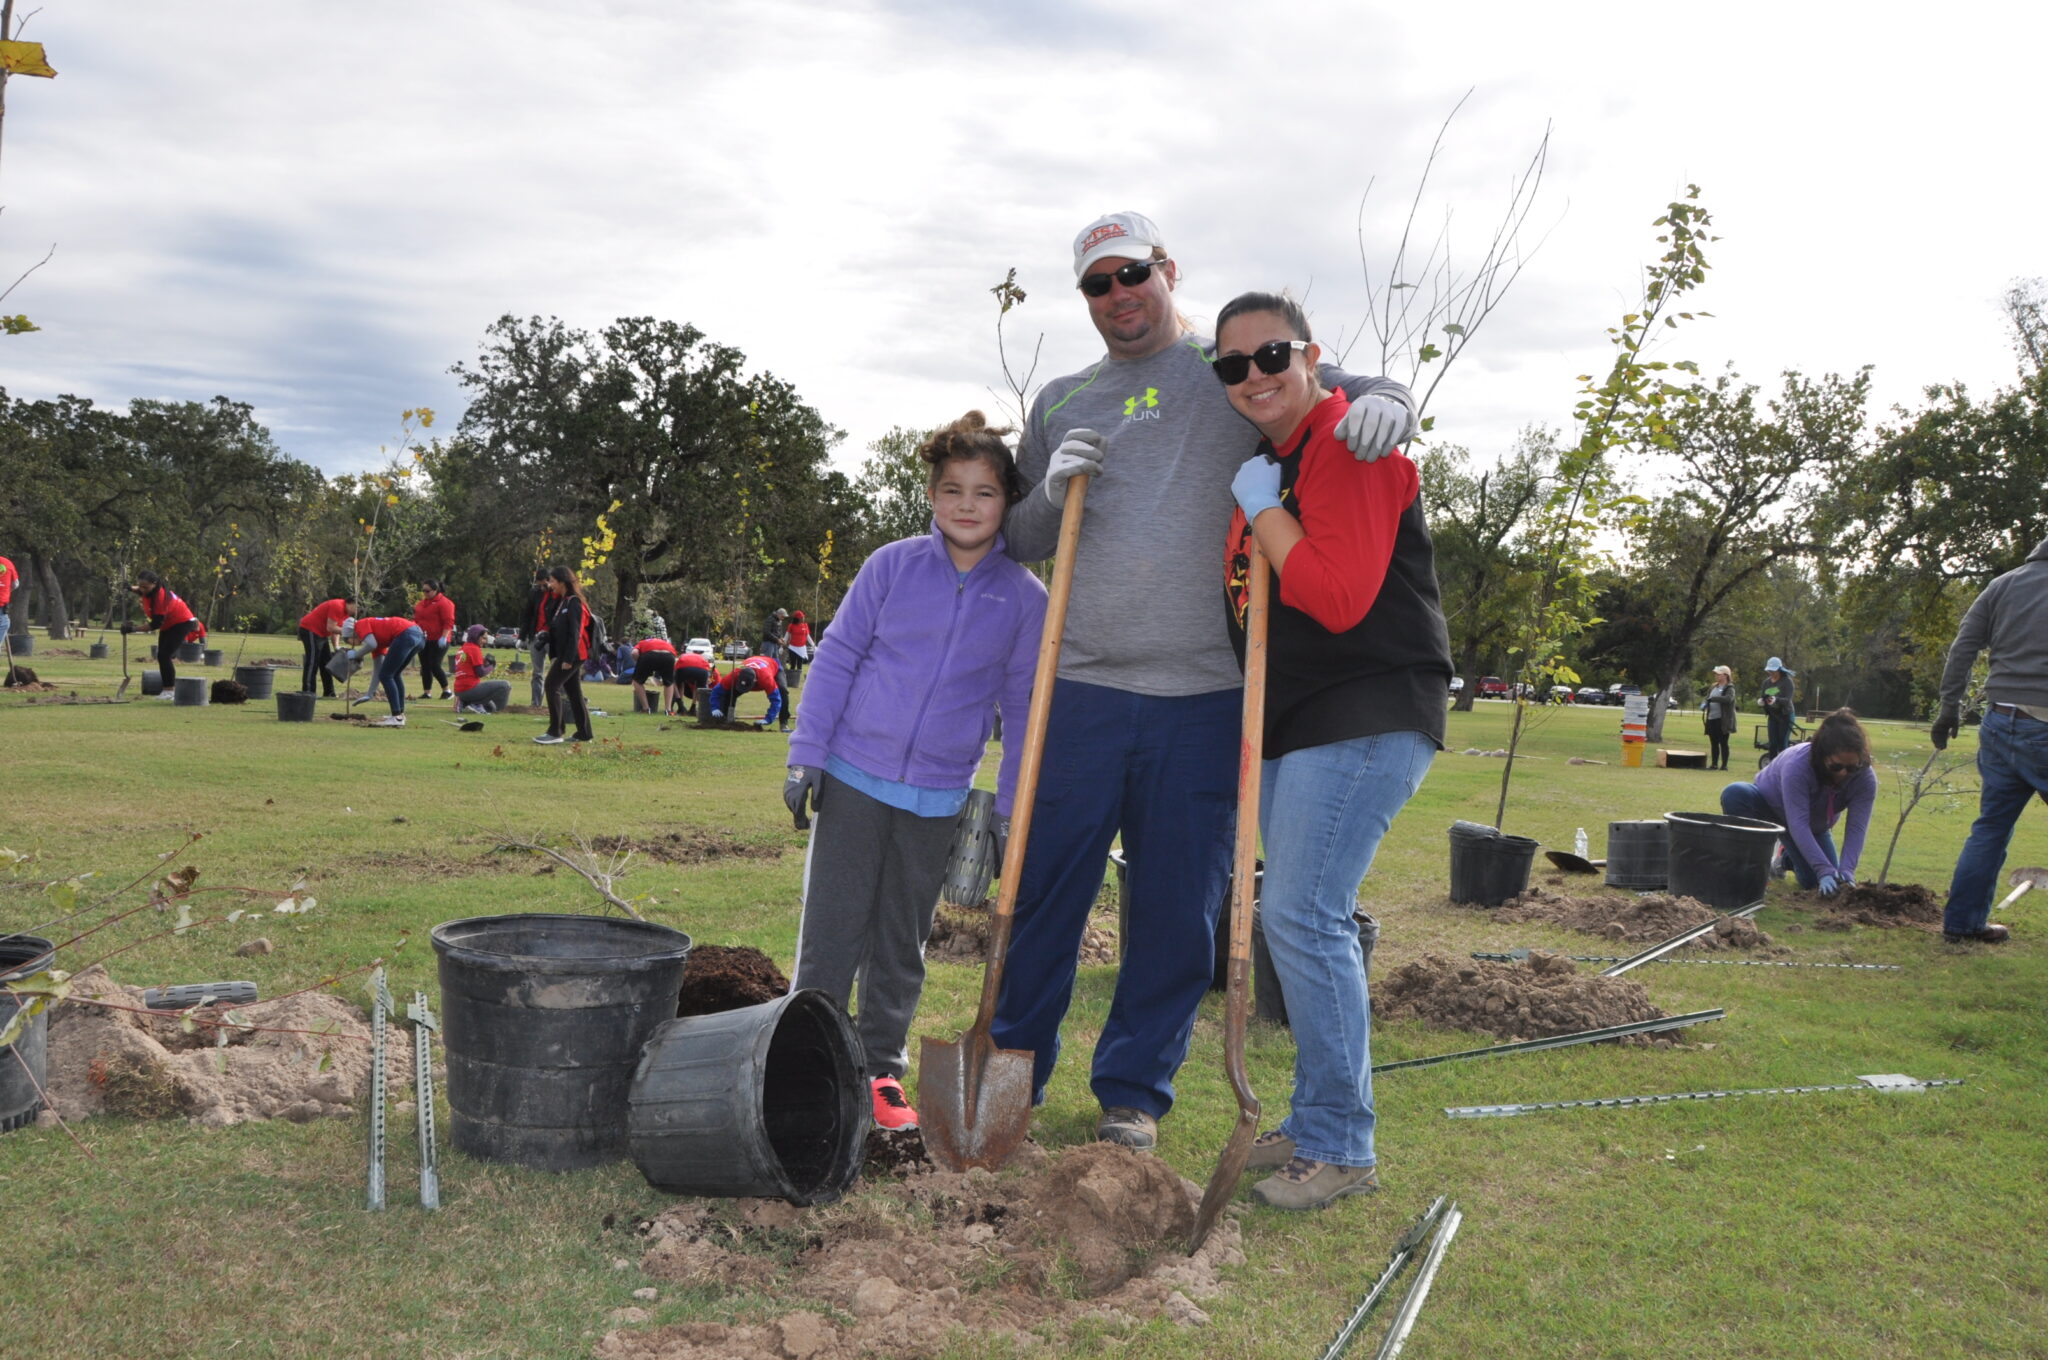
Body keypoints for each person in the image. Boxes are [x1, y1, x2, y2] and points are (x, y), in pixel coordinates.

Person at [991, 211, 1418, 1151]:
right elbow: (1014, 536)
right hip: (1083, 688)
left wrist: (1392, 391)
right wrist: (1049, 491)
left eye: (1131, 273)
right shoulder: (1060, 399)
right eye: (1097, 283)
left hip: (1207, 696)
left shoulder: (1230, 372)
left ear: (1167, 270)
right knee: (1044, 891)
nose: (1118, 295)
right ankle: (1010, 1074)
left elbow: (1323, 385)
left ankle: (1133, 1095)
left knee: (1177, 911)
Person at [1213, 292, 1449, 1208]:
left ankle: (1344, 1146)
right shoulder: (1278, 460)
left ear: (1312, 356)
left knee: (1303, 916)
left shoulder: (1348, 445)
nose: (1254, 375)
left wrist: (1265, 515)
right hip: (1299, 716)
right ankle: (1317, 1120)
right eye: (1233, 366)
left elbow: (1341, 598)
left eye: (1272, 355)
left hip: (1365, 708)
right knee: (1301, 917)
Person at [783, 412, 1046, 1129]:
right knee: (832, 931)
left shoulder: (1024, 598)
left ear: (1007, 502)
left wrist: (1010, 809)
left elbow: (1024, 710)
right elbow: (837, 657)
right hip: (854, 777)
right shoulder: (891, 566)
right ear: (931, 495)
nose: (967, 505)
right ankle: (808, 1060)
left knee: (901, 941)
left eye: (985, 492)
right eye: (952, 489)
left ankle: (879, 1070)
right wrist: (807, 754)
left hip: (936, 797)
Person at [1930, 535, 2048, 944]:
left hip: (1999, 722)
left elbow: (1962, 648)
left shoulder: (2002, 585)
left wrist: (1949, 708)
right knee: (1991, 829)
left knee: (1990, 829)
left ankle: (1962, 924)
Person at [1719, 709, 1877, 894]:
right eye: (1836, 766)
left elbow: (1856, 828)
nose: (1843, 773)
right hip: (1770, 808)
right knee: (1735, 793)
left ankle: (1785, 858)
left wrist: (1847, 871)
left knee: (1815, 882)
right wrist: (1823, 869)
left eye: (1851, 768)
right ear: (1822, 755)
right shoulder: (1798, 765)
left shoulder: (1865, 778)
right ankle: (1753, 868)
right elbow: (1798, 823)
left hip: (1813, 826)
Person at [536, 566, 595, 745]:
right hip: (567, 653)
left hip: (573, 654)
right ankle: (584, 733)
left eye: (553, 581)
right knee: (574, 692)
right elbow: (559, 627)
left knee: (551, 685)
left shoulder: (574, 602)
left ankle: (556, 731)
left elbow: (575, 633)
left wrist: (568, 659)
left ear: (562, 582)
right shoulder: (563, 601)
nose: (550, 584)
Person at [337, 614, 426, 727]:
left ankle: (396, 717)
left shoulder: (360, 625)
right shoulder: (377, 639)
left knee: (387, 676)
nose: (351, 644)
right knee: (394, 674)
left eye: (348, 640)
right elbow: (378, 669)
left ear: (351, 633)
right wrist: (370, 693)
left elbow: (371, 644)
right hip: (418, 635)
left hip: (406, 634)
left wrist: (356, 654)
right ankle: (400, 714)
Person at [125, 570, 199, 698]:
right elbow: (140, 590)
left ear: (154, 584)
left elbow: (154, 625)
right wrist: (130, 588)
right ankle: (167, 689)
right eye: (140, 586)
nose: (142, 589)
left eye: (145, 587)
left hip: (182, 622)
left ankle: (169, 691)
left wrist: (133, 629)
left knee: (165, 655)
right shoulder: (150, 590)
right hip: (168, 624)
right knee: (161, 655)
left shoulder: (160, 599)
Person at [705, 653, 787, 730]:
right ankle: (727, 719)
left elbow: (776, 700)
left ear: (755, 681)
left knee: (782, 691)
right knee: (730, 693)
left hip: (774, 665)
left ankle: (783, 723)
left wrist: (768, 719)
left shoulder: (766, 678)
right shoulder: (734, 674)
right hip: (752, 661)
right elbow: (716, 691)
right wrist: (715, 708)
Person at [297, 594, 353, 697]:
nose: (357, 612)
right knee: (313, 661)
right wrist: (349, 632)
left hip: (321, 634)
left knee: (326, 663)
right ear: (352, 604)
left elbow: (336, 630)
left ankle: (329, 693)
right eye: (357, 608)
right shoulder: (338, 606)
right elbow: (331, 627)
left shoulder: (346, 614)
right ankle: (308, 692)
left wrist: (336, 646)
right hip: (310, 629)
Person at [413, 580, 457, 701]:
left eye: (427, 591)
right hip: (424, 638)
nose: (425, 593)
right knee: (425, 666)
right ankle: (427, 692)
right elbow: (417, 620)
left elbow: (448, 621)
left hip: (439, 639)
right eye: (423, 591)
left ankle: (447, 691)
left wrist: (444, 637)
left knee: (434, 664)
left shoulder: (445, 603)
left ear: (435, 590)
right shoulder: (421, 604)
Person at [451, 623, 510, 713]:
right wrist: (491, 666)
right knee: (505, 685)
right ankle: (500, 711)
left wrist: (485, 663)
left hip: (459, 691)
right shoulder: (475, 649)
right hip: (470, 689)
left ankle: (464, 702)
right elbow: (480, 672)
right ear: (476, 637)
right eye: (483, 638)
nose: (485, 641)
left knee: (490, 707)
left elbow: (468, 666)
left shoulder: (462, 649)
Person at [524, 567, 554, 706]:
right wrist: (522, 636)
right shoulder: (534, 593)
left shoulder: (556, 594)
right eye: (539, 585)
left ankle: (557, 703)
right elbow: (528, 615)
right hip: (536, 636)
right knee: (537, 672)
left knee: (556, 672)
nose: (541, 588)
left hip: (552, 638)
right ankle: (535, 703)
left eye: (544, 585)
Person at [1701, 665, 1738, 771]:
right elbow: (1707, 698)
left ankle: (1724, 765)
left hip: (1723, 720)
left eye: (1718, 674)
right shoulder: (1713, 686)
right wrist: (1704, 704)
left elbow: (1728, 699)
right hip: (1711, 718)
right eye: (1716, 674)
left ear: (1725, 675)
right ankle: (1714, 764)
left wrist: (1713, 699)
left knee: (1723, 743)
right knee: (1714, 743)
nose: (1716, 676)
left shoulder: (1730, 688)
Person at [630, 634, 679, 714]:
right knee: (669, 683)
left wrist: (640, 664)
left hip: (649, 656)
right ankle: (668, 710)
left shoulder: (642, 642)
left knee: (637, 681)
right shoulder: (666, 643)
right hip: (668, 656)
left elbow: (634, 653)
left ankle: (646, 709)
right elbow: (675, 658)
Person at [1760, 657, 1797, 760]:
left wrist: (1776, 700)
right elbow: (1764, 696)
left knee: (1782, 742)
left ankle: (1783, 764)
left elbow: (1787, 699)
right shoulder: (1766, 682)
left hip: (1785, 715)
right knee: (1772, 743)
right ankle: (1773, 764)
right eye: (1769, 670)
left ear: (1779, 669)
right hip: (1773, 716)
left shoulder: (1787, 682)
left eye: (1773, 670)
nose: (1771, 672)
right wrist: (1762, 702)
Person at [672, 649, 713, 716]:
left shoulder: (683, 656)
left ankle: (680, 706)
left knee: (678, 684)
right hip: (702, 670)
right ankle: (695, 708)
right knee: (700, 689)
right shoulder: (701, 657)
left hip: (684, 668)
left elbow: (675, 669)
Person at [0, 551, 18, 657]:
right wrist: (6, 590)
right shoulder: (7, 563)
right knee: (4, 623)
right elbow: (15, 584)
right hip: (1, 604)